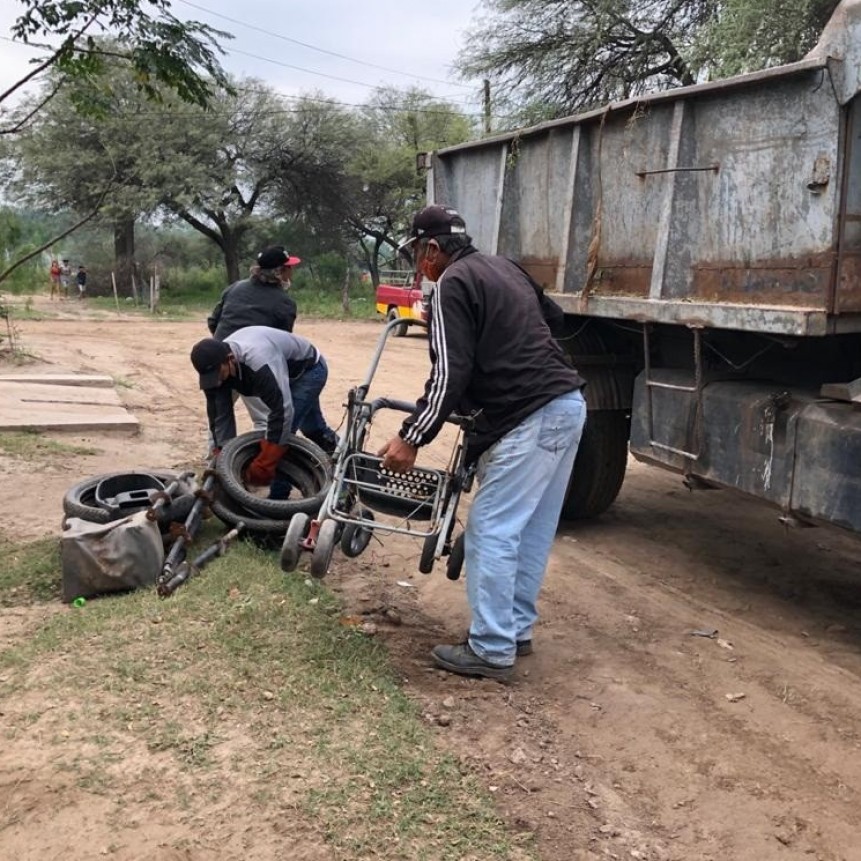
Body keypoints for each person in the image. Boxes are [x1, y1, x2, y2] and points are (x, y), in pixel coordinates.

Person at [378, 205, 587, 681]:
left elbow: (451, 372)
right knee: (529, 530)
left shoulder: (452, 283)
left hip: (529, 415)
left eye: (416, 254)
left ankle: (492, 648)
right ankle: (514, 631)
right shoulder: (503, 266)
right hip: (566, 404)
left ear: (432, 249)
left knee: (491, 529)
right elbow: (552, 319)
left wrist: (412, 436)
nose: (417, 267)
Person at [190, 326, 339, 490]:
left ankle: (279, 498)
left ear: (230, 359)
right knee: (313, 429)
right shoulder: (216, 366)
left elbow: (282, 411)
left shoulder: (259, 362)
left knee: (285, 433)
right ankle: (342, 459)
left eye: (218, 375)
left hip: (308, 371)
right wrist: (223, 455)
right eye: (209, 378)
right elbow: (219, 415)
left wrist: (264, 463)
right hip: (279, 370)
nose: (216, 381)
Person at [207, 246, 300, 340]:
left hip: (221, 349)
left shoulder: (234, 288)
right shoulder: (285, 303)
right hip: (253, 353)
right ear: (280, 271)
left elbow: (213, 322)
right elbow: (282, 341)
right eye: (289, 267)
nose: (291, 271)